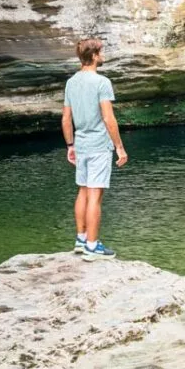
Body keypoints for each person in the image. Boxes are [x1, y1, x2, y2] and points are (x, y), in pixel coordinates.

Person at [62, 37, 128, 260]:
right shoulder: (102, 82)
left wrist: (70, 145)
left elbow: (66, 118)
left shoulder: (71, 82)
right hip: (99, 145)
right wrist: (119, 147)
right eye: (101, 51)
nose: (103, 53)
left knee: (82, 190)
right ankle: (92, 246)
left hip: (80, 144)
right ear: (94, 56)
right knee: (95, 196)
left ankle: (80, 240)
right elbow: (109, 119)